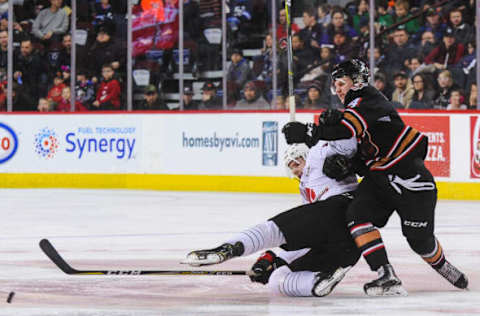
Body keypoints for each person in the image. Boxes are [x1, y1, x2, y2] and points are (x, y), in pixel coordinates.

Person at [281, 59, 468, 296]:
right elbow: (348, 145)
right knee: (356, 216)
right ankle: (386, 275)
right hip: (378, 178)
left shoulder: (368, 98)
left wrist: (310, 131)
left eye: (341, 83)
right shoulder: (351, 109)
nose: (337, 89)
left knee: (419, 241)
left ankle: (444, 267)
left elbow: (348, 129)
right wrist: (342, 162)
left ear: (357, 82)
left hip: (408, 176)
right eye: (334, 85)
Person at [184, 139, 361, 297]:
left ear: (306, 155)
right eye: (291, 167)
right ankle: (317, 282)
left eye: (296, 163)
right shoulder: (306, 189)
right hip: (349, 247)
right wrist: (274, 260)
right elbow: (309, 237)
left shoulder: (318, 157)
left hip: (337, 211)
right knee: (277, 280)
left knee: (273, 230)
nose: (295, 170)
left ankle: (228, 248)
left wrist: (311, 132)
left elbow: (342, 137)